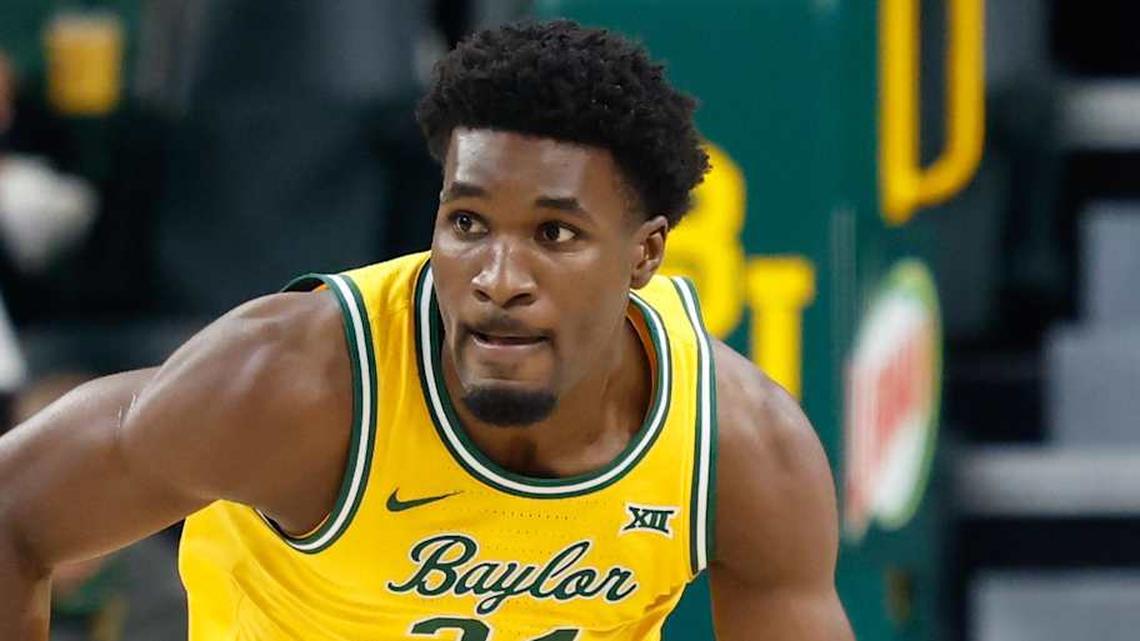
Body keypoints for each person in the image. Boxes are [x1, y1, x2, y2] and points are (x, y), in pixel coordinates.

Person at [0, 20, 853, 640]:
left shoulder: (738, 446)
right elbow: (16, 513)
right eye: (470, 222)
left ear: (645, 254)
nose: (498, 279)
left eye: (554, 234)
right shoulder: (296, 381)